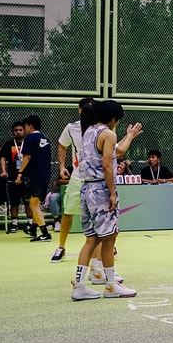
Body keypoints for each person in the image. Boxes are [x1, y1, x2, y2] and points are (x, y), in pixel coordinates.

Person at [70, 99, 136, 300]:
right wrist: (112, 193)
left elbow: (112, 154)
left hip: (85, 188)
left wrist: (129, 136)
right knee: (109, 238)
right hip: (100, 190)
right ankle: (110, 285)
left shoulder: (88, 131)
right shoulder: (108, 134)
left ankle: (80, 285)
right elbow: (108, 165)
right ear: (114, 118)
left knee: (92, 239)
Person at [53, 96, 96, 263]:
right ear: (80, 110)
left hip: (96, 179)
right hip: (77, 178)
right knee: (68, 213)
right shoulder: (71, 128)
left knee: (98, 215)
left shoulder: (102, 128)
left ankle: (105, 247)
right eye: (87, 108)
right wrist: (62, 167)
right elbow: (62, 146)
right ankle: (61, 247)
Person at [15, 115, 52, 243]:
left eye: (25, 126)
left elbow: (27, 157)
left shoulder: (30, 138)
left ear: (30, 126)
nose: (24, 129)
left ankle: (44, 233)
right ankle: (33, 228)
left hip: (35, 175)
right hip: (45, 175)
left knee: (33, 204)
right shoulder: (45, 139)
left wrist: (20, 173)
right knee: (35, 202)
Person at [0, 121, 27, 233]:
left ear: (24, 130)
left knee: (28, 202)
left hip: (26, 177)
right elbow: (3, 158)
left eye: (20, 130)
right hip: (13, 178)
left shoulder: (29, 142)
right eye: (16, 130)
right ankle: (14, 223)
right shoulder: (8, 144)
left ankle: (30, 222)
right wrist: (4, 171)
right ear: (12, 132)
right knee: (14, 202)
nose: (18, 132)